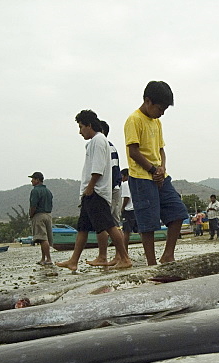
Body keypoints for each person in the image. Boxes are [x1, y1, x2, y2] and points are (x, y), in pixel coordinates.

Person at [56, 110, 131, 272]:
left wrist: (90, 188)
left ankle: (124, 258)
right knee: (83, 227)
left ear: (89, 125)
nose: (80, 131)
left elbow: (97, 169)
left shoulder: (98, 140)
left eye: (81, 127)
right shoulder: (95, 142)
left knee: (109, 225)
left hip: (96, 192)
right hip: (91, 192)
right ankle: (73, 260)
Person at [124, 81, 188, 266]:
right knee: (148, 222)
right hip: (142, 178)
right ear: (148, 101)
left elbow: (161, 150)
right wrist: (152, 170)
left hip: (160, 177)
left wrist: (162, 169)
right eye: (160, 108)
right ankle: (151, 264)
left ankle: (168, 255)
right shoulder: (134, 120)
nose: (162, 113)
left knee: (178, 212)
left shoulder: (157, 122)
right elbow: (133, 152)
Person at [90, 119, 126, 267]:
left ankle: (117, 256)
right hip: (110, 188)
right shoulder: (106, 147)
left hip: (110, 190)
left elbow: (111, 170)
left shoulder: (106, 147)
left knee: (110, 223)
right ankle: (109, 256)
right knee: (109, 223)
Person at [27, 171, 53, 266]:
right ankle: (43, 259)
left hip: (39, 215)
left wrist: (31, 214)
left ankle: (49, 259)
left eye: (33, 179)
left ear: (37, 180)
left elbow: (33, 205)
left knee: (42, 238)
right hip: (48, 215)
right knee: (45, 238)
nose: (31, 181)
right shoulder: (48, 191)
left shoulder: (35, 191)